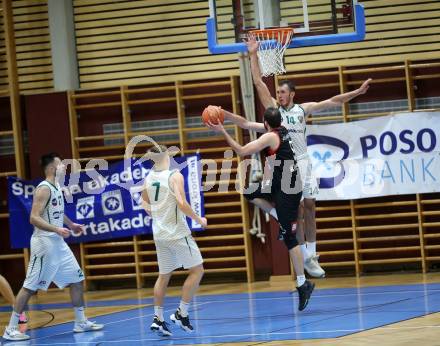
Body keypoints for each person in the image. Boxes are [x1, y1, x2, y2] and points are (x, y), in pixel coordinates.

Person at [224, 34, 372, 277]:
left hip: (303, 163)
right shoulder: (274, 113)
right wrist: (253, 54)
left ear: (291, 94)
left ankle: (311, 255)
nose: (279, 95)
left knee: (310, 207)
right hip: (283, 166)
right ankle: (304, 255)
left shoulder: (303, 110)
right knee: (298, 209)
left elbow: (333, 101)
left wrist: (357, 91)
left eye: (282, 92)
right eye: (278, 92)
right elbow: (259, 82)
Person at [207, 107, 314, 311]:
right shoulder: (280, 129)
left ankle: (303, 284)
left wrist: (222, 130)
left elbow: (241, 151)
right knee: (249, 192)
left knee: (290, 240)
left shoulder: (269, 138)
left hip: (289, 190)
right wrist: (225, 115)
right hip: (278, 183)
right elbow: (246, 124)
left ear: (266, 123)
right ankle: (278, 216)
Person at [2, 153, 104, 341]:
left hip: (58, 243)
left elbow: (57, 211)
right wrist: (56, 229)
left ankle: (80, 322)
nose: (64, 168)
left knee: (77, 279)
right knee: (30, 287)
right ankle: (11, 328)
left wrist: (71, 225)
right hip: (44, 243)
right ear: (51, 169)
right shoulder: (44, 189)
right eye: (60, 165)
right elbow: (34, 218)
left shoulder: (57, 186)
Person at [142, 145, 207, 336]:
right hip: (177, 233)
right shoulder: (174, 175)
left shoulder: (149, 177)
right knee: (197, 270)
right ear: (167, 156)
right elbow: (181, 202)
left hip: (160, 234)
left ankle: (158, 318)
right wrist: (199, 220)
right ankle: (181, 313)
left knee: (164, 276)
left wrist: (159, 216)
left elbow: (143, 203)